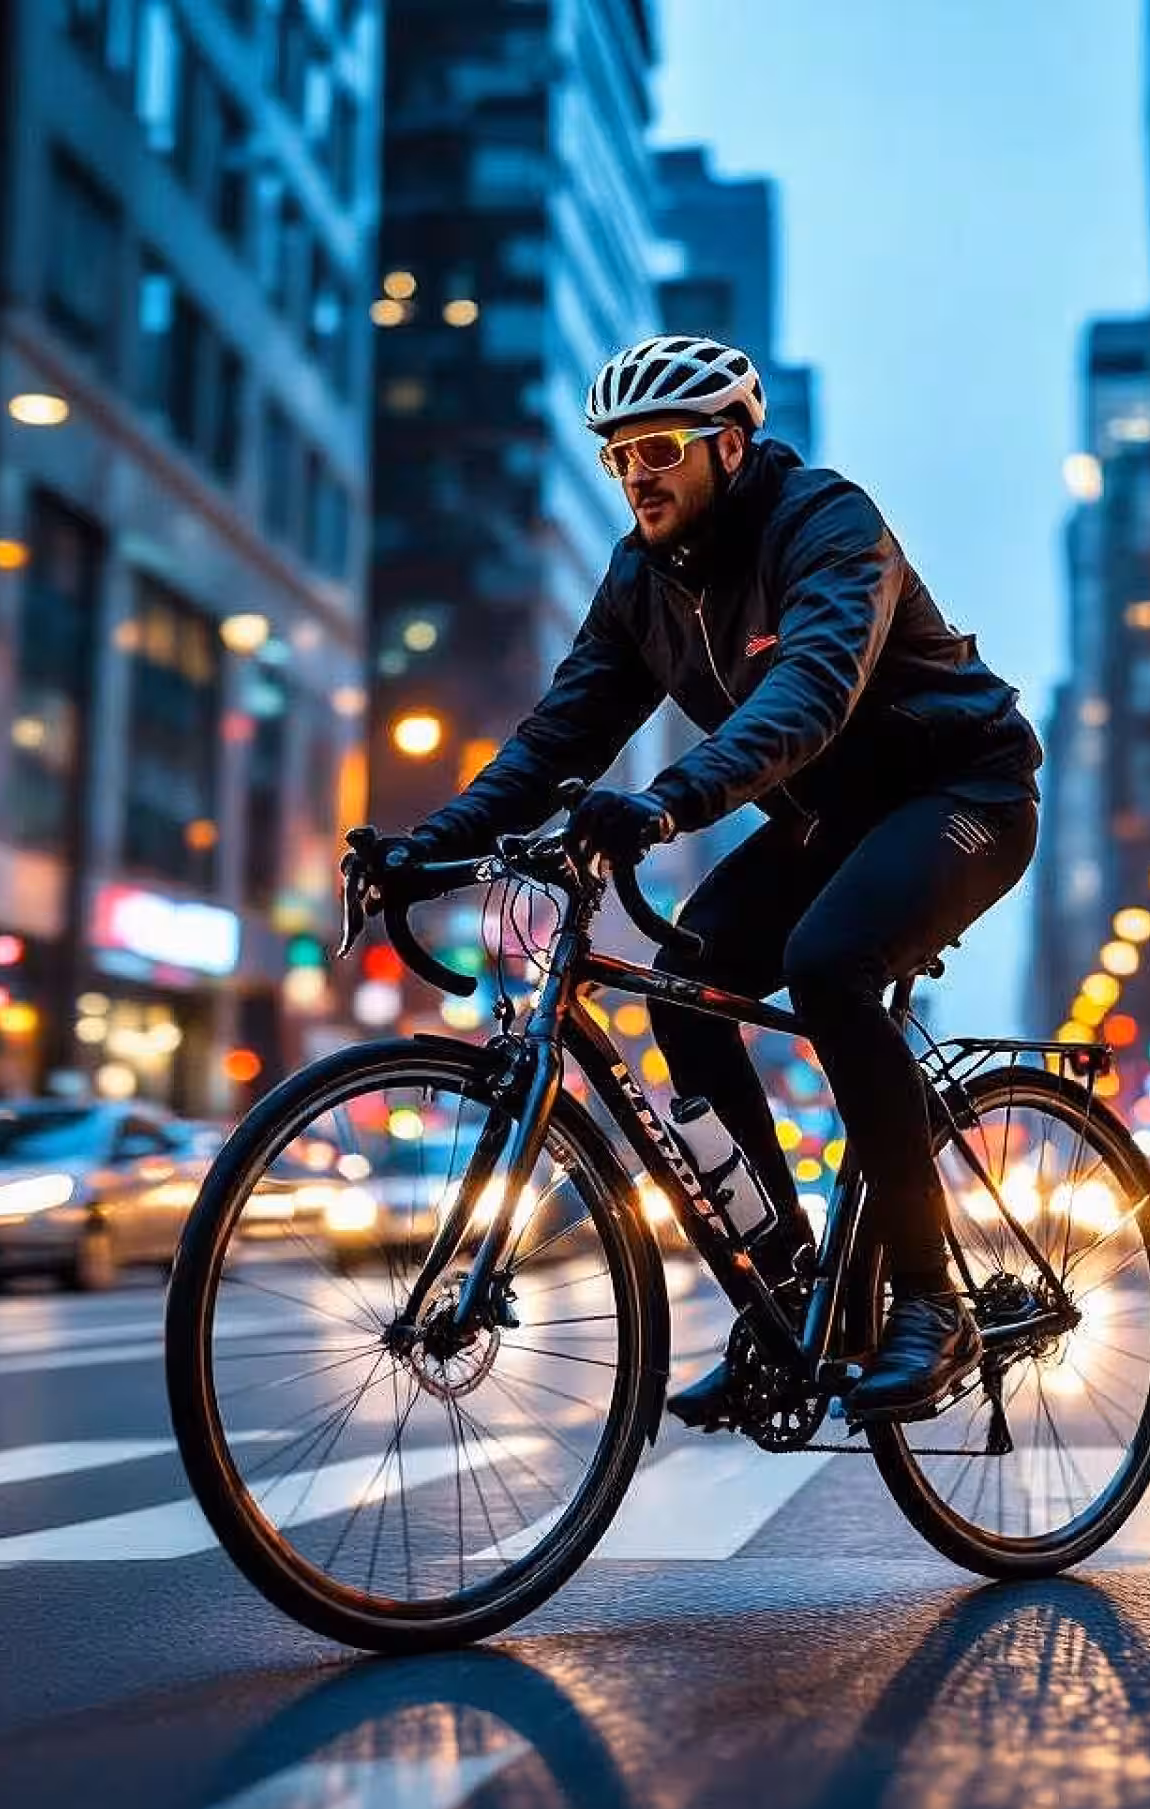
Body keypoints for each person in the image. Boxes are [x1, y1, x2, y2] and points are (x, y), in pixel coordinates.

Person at [363, 334, 1041, 1427]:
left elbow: (809, 693)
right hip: (833, 819)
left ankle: (928, 1299)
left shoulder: (824, 524)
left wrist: (670, 801)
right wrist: (424, 847)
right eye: (618, 456)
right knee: (689, 979)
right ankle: (788, 1290)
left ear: (730, 445)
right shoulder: (643, 577)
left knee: (830, 965)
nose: (636, 474)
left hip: (962, 793)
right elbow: (556, 736)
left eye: (660, 449)